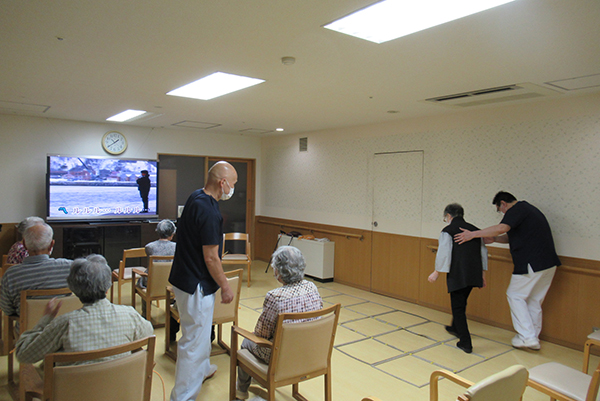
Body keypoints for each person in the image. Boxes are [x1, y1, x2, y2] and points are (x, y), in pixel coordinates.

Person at [454, 191, 561, 350]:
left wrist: (473, 234)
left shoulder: (517, 209)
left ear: (503, 203)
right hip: (548, 264)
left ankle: (527, 337)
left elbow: (501, 228)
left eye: (500, 210)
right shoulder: (529, 211)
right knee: (533, 300)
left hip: (532, 263)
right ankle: (532, 337)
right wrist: (495, 239)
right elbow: (511, 236)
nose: (502, 213)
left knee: (514, 295)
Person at [168, 161, 237, 401]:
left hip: (183, 277)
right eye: (233, 183)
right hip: (195, 284)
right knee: (194, 340)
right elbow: (211, 257)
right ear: (223, 182)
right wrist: (225, 286)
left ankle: (203, 368)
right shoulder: (209, 212)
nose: (233, 188)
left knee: (201, 331)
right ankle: (183, 396)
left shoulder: (196, 197)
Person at [15, 254, 153, 365]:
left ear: (74, 289)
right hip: (122, 387)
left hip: (75, 389)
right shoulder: (129, 314)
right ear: (108, 286)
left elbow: (23, 355)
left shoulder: (64, 324)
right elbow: (148, 332)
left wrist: (45, 320)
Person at [235, 246, 323, 400]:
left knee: (246, 341)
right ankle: (256, 377)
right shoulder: (312, 288)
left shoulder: (275, 296)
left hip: (281, 357)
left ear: (279, 272)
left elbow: (261, 334)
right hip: (310, 352)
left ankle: (241, 391)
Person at [428, 204, 487, 354]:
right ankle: (455, 327)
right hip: (473, 273)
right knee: (461, 302)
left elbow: (444, 253)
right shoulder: (475, 230)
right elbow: (483, 253)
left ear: (448, 216)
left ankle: (466, 342)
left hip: (458, 274)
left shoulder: (448, 230)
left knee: (458, 308)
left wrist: (436, 272)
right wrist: (482, 275)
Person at [0, 222, 71, 327]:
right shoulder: (70, 267)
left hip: (28, 332)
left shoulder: (11, 274)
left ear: (24, 245)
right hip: (63, 330)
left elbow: (7, 309)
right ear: (52, 244)